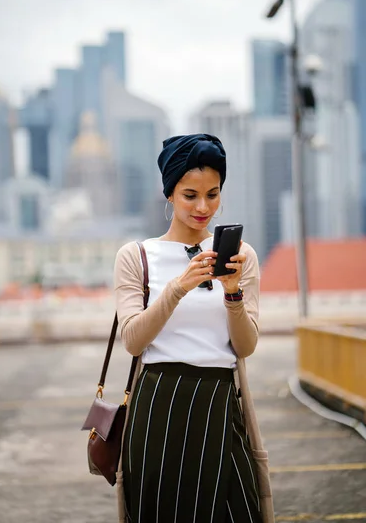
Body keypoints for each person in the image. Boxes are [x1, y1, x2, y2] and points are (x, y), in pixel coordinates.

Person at [114, 134, 273, 523]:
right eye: (190, 195)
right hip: (159, 405)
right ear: (169, 194)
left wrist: (232, 292)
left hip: (220, 401)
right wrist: (178, 288)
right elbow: (133, 340)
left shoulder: (241, 256)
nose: (203, 207)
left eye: (213, 194)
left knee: (241, 511)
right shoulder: (136, 256)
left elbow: (246, 346)